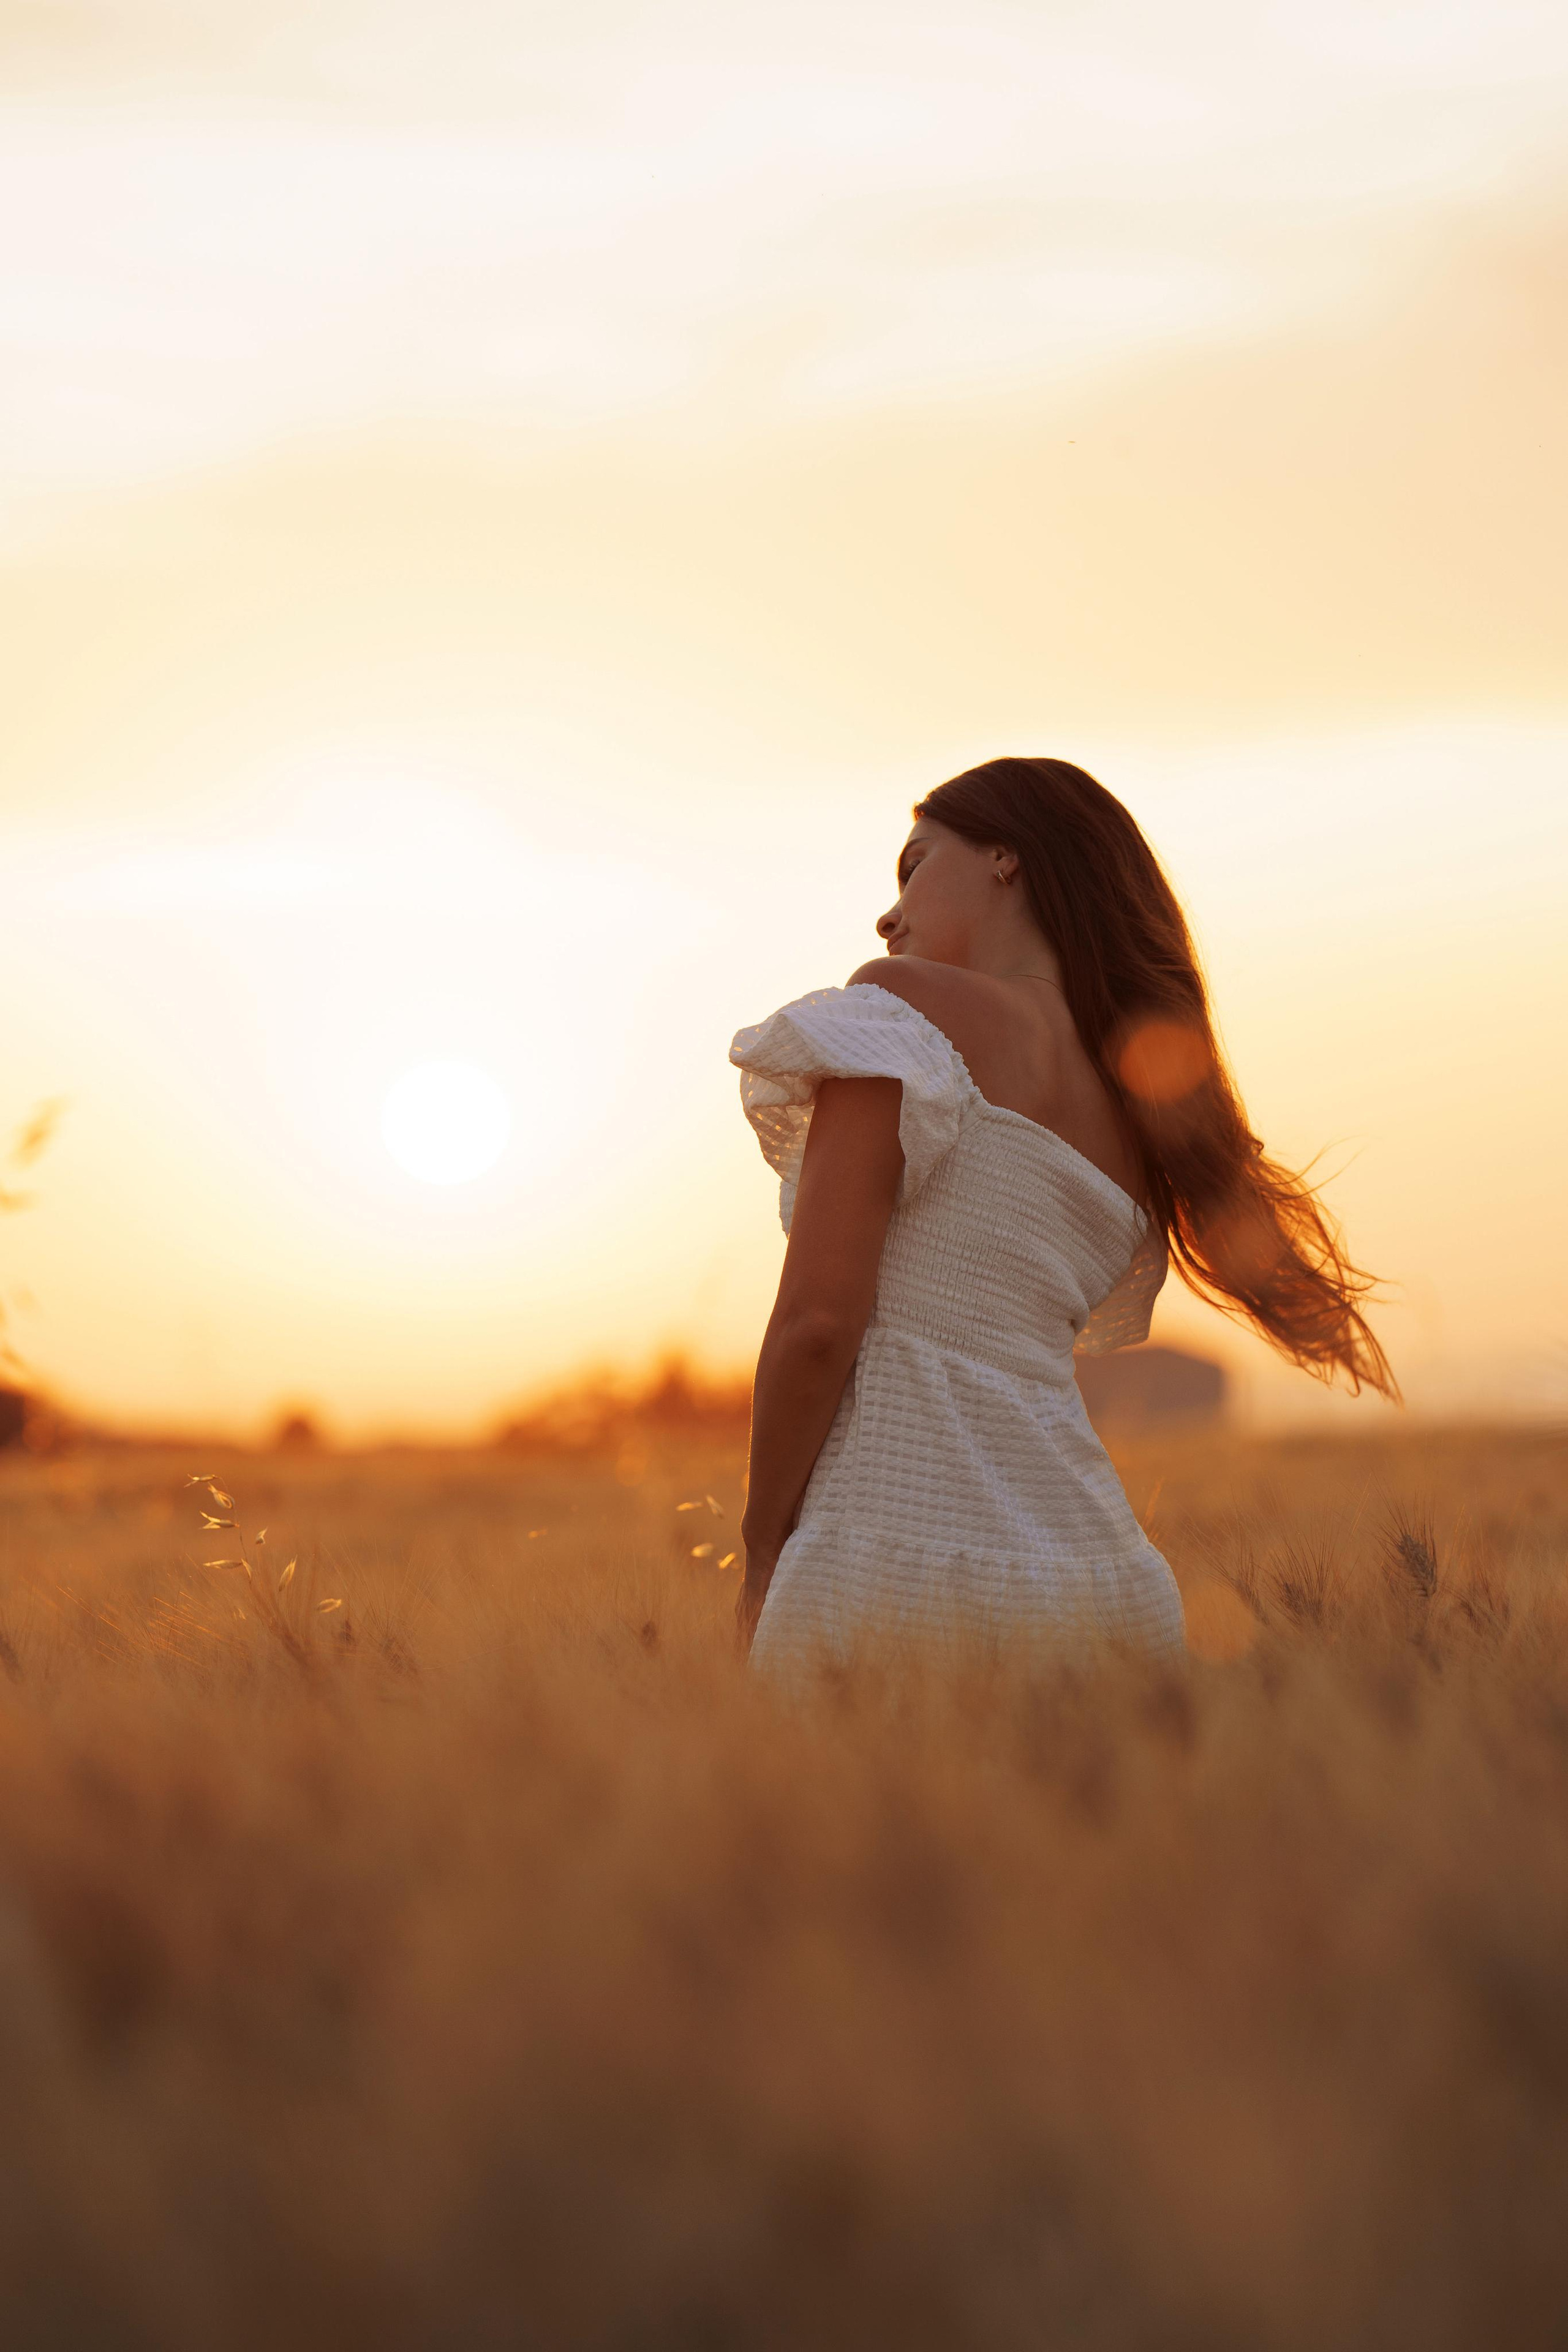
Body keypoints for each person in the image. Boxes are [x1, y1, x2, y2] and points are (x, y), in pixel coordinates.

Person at [729, 756, 1394, 1679]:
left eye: (914, 865)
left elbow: (817, 1325)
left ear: (1009, 857)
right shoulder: (1139, 1119)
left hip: (888, 1551)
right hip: (1105, 1588)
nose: (889, 912)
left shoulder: (899, 1009)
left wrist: (763, 1551)